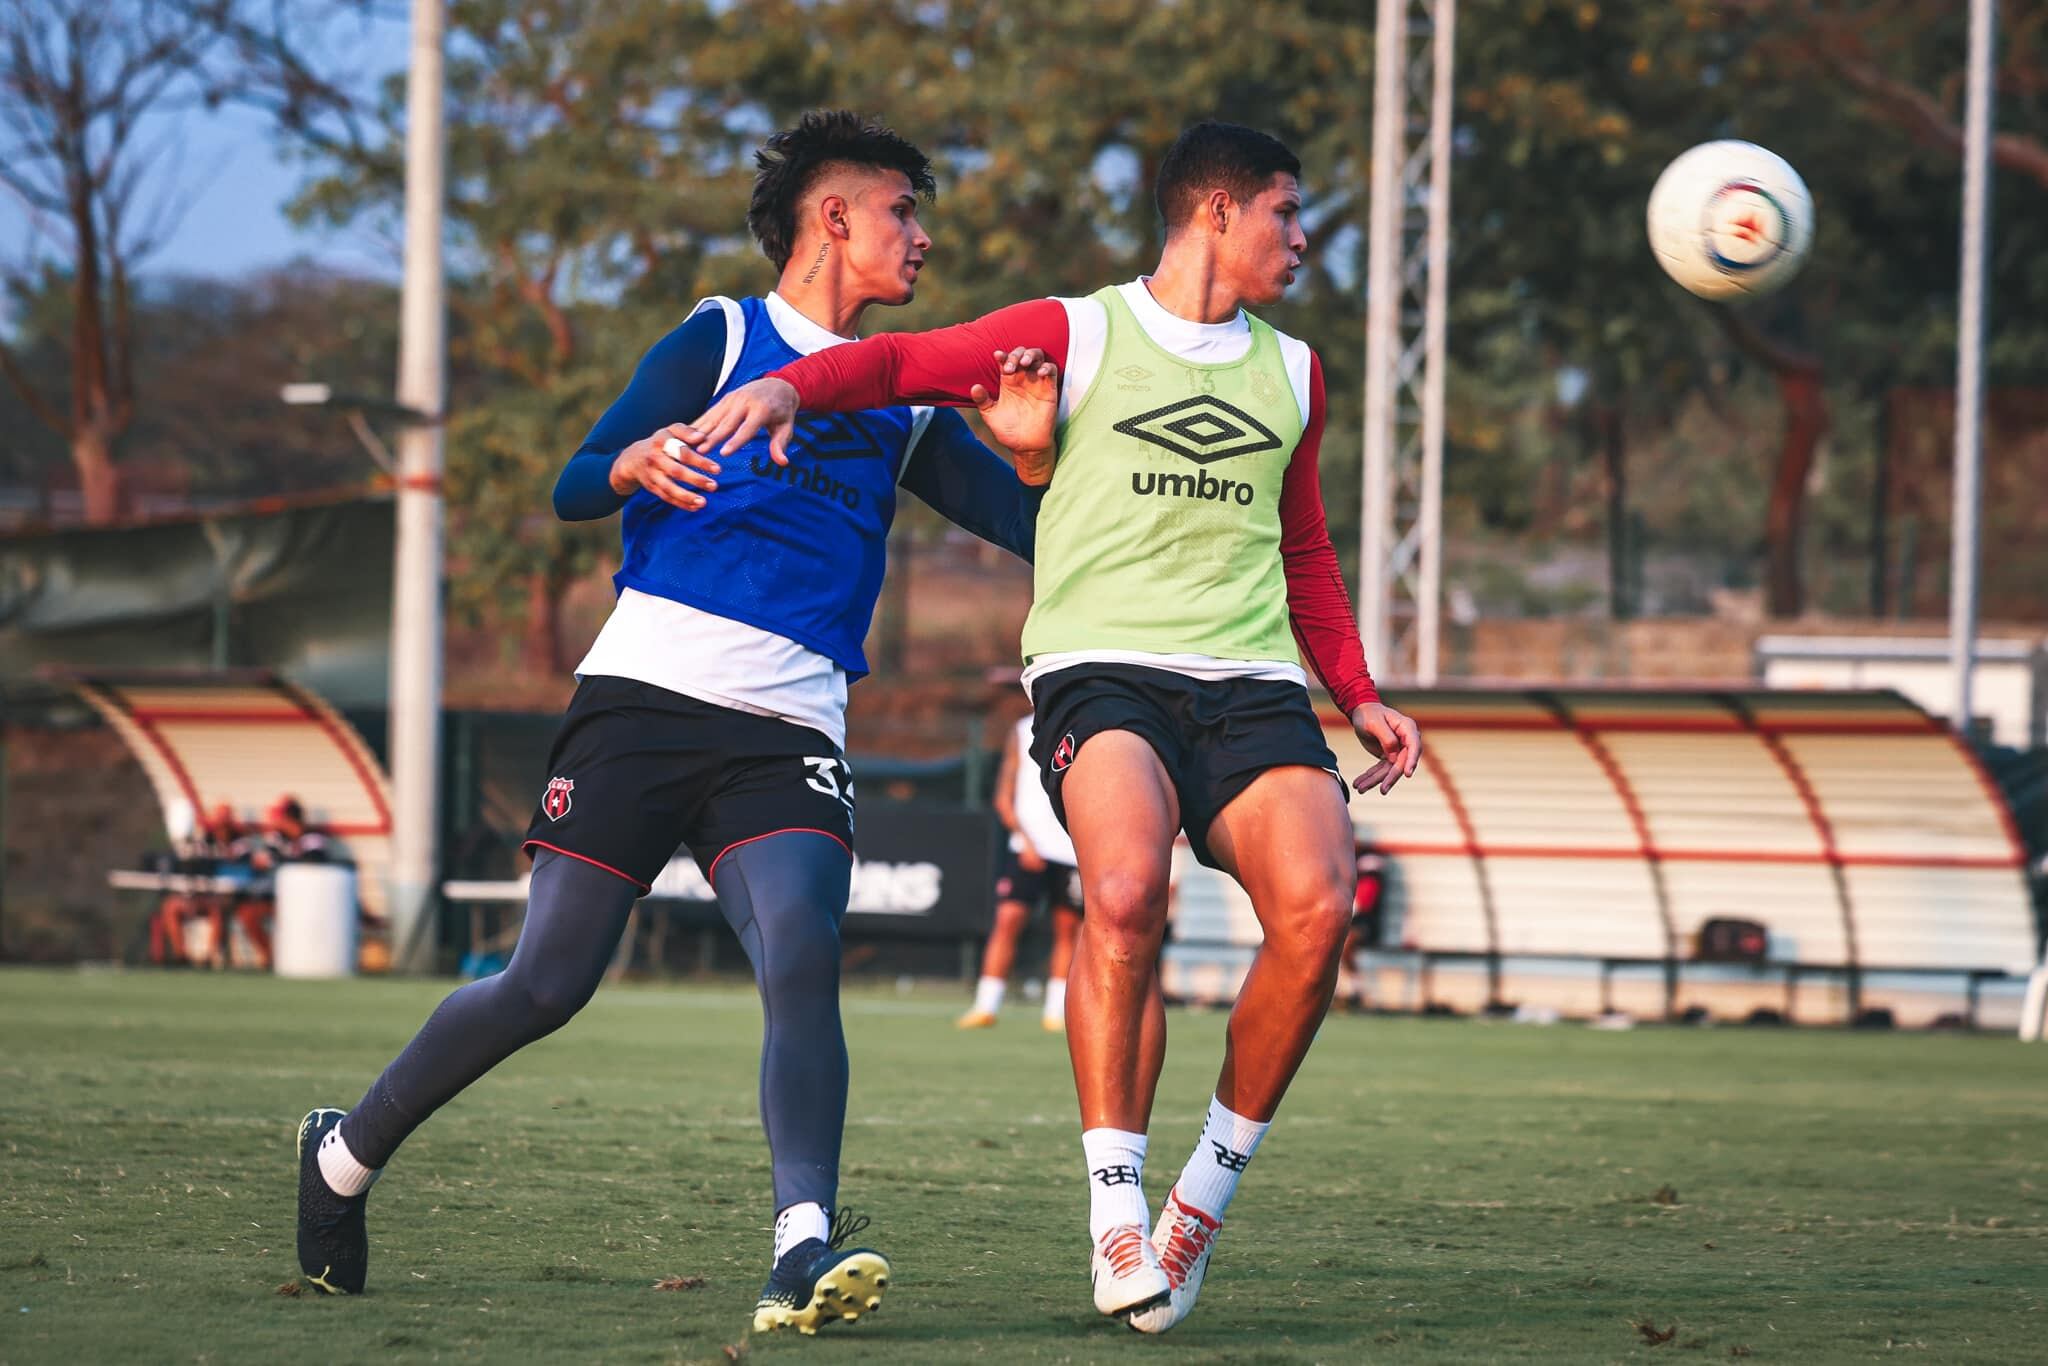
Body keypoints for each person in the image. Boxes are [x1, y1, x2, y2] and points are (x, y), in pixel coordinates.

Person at [293, 111, 1061, 1337]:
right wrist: (636, 458)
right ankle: (344, 1153)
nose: (921, 235)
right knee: (547, 982)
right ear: (832, 217)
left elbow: (1037, 532)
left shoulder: (900, 394)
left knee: (802, 951)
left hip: (789, 729)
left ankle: (800, 1247)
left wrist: (1028, 465)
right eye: (902, 211)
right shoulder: (720, 333)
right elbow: (569, 483)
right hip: (642, 702)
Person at [679, 119, 1424, 1332]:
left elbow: (1303, 549)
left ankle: (1196, 1203)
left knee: (1319, 903)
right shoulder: (1071, 332)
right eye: (1287, 213)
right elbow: (893, 366)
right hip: (1101, 672)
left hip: (1248, 683)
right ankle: (1114, 1213)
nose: (1301, 239)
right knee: (1124, 894)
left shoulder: (1295, 373)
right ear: (1217, 213)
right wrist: (779, 382)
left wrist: (1357, 692)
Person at [958, 713, 1084, 1033]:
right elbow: (1004, 795)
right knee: (1008, 920)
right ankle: (986, 1005)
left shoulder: (1087, 721)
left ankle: (1056, 1010)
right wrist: (1025, 840)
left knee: (1068, 930)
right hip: (1026, 849)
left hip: (1072, 852)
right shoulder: (1020, 728)